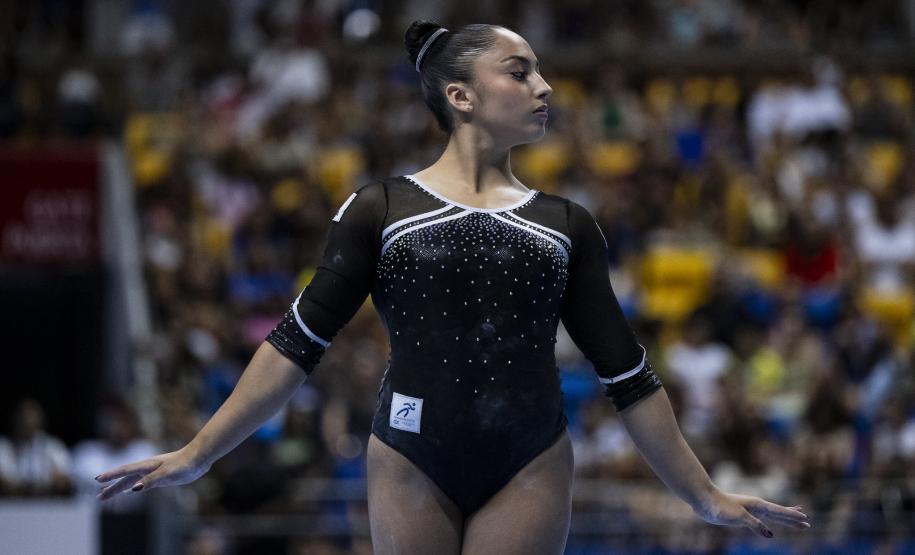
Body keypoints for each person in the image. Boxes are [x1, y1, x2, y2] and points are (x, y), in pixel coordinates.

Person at [96, 21, 811, 553]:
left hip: (528, 456)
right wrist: (199, 452)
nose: (544, 86)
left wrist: (703, 494)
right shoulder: (379, 209)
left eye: (539, 74)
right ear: (460, 94)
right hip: (411, 452)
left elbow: (627, 374)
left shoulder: (566, 226)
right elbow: (294, 345)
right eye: (520, 71)